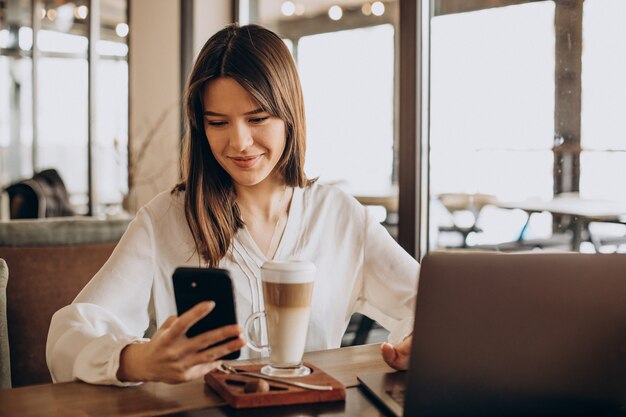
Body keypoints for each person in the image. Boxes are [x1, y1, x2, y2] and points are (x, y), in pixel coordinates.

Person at [46, 24, 418, 386]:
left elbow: (431, 304)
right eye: (218, 122)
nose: (239, 142)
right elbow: (70, 334)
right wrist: (140, 360)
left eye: (257, 118)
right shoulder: (165, 221)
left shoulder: (339, 217)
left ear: (290, 115)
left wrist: (419, 342)